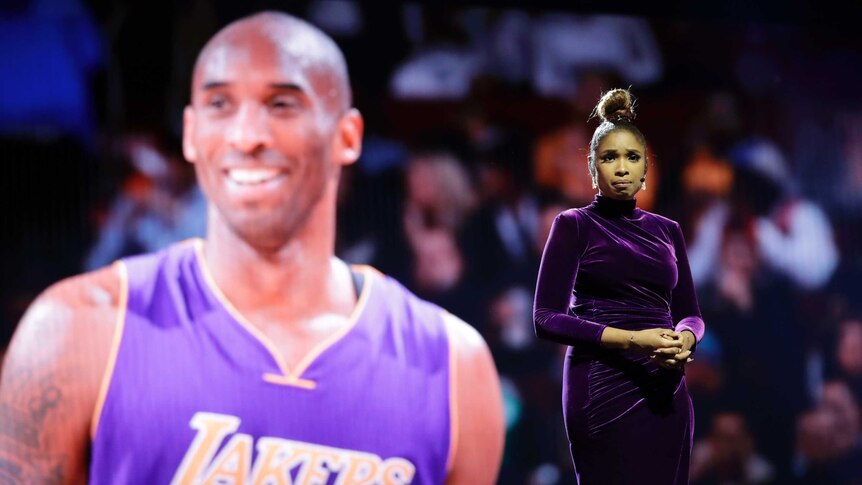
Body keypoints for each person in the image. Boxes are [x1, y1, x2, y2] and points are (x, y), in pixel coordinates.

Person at [0, 11, 504, 485]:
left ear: (347, 136)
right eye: (220, 104)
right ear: (192, 134)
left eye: (282, 103)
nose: (246, 135)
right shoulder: (77, 328)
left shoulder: (452, 365)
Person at [533, 88, 705, 484]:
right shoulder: (573, 225)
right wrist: (634, 340)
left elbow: (691, 313)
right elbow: (545, 318)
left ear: (647, 170)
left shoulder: (668, 230)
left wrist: (685, 339)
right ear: (593, 169)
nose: (622, 167)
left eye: (632, 157)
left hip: (664, 384)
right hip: (601, 382)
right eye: (610, 157)